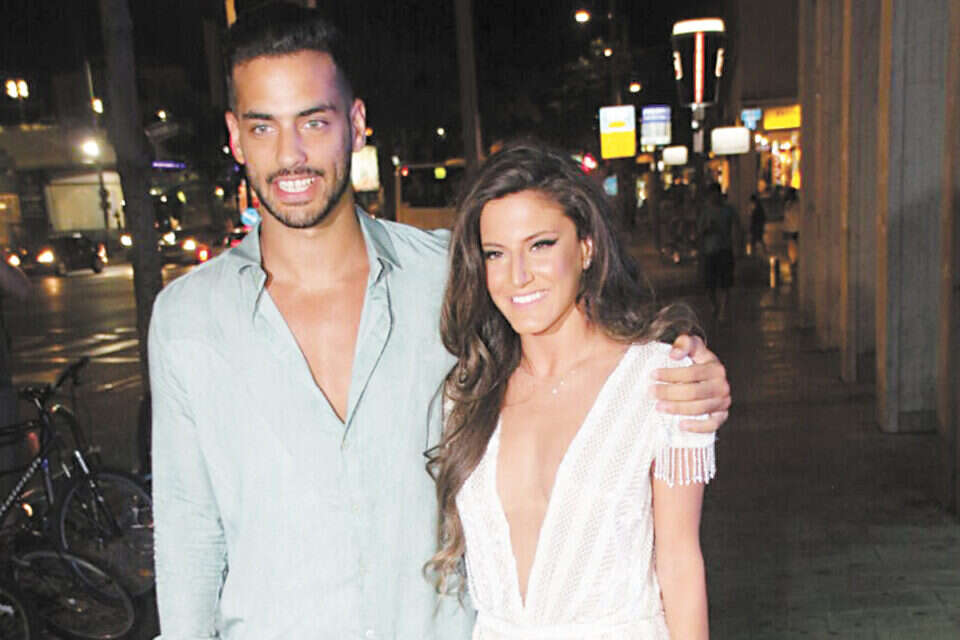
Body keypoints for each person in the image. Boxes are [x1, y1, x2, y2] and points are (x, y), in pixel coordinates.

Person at [148, 6, 731, 638]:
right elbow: (188, 539)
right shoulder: (188, 321)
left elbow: (575, 345)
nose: (291, 155)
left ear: (356, 124)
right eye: (263, 127)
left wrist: (689, 373)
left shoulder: (451, 276)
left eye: (314, 122)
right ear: (235, 137)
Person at [426, 142, 713, 639]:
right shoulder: (468, 393)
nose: (518, 276)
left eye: (540, 245)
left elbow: (680, 565)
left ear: (586, 247)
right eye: (496, 254)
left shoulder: (660, 381)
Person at [697, 183, 740, 319]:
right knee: (710, 284)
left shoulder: (728, 210)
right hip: (710, 251)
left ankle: (723, 310)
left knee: (725, 282)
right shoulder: (705, 212)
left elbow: (737, 226)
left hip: (725, 249)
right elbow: (700, 232)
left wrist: (737, 245)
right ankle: (714, 305)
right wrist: (707, 229)